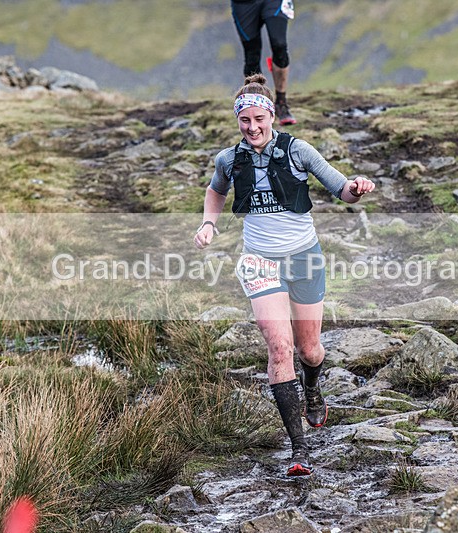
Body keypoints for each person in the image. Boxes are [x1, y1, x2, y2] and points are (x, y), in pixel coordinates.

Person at [193, 74, 375, 476]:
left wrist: (357, 188)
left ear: (272, 116)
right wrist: (209, 223)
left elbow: (340, 188)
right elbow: (215, 190)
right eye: (245, 121)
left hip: (304, 258)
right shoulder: (229, 159)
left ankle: (312, 388)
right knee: (279, 349)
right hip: (259, 261)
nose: (253, 128)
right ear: (237, 121)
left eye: (260, 119)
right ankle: (299, 450)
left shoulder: (299, 151)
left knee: (310, 350)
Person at [230, 0, 298, 126]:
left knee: (279, 45)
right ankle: (257, 106)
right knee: (252, 56)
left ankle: (281, 103)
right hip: (243, 4)